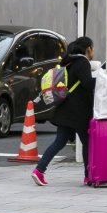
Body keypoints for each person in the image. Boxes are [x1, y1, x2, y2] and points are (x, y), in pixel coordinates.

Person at [31, 36, 96, 186]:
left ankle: (39, 170)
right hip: (79, 111)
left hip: (64, 109)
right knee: (88, 142)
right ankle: (88, 176)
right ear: (88, 49)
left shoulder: (68, 61)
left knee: (59, 142)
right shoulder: (82, 62)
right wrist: (104, 80)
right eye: (93, 48)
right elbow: (87, 84)